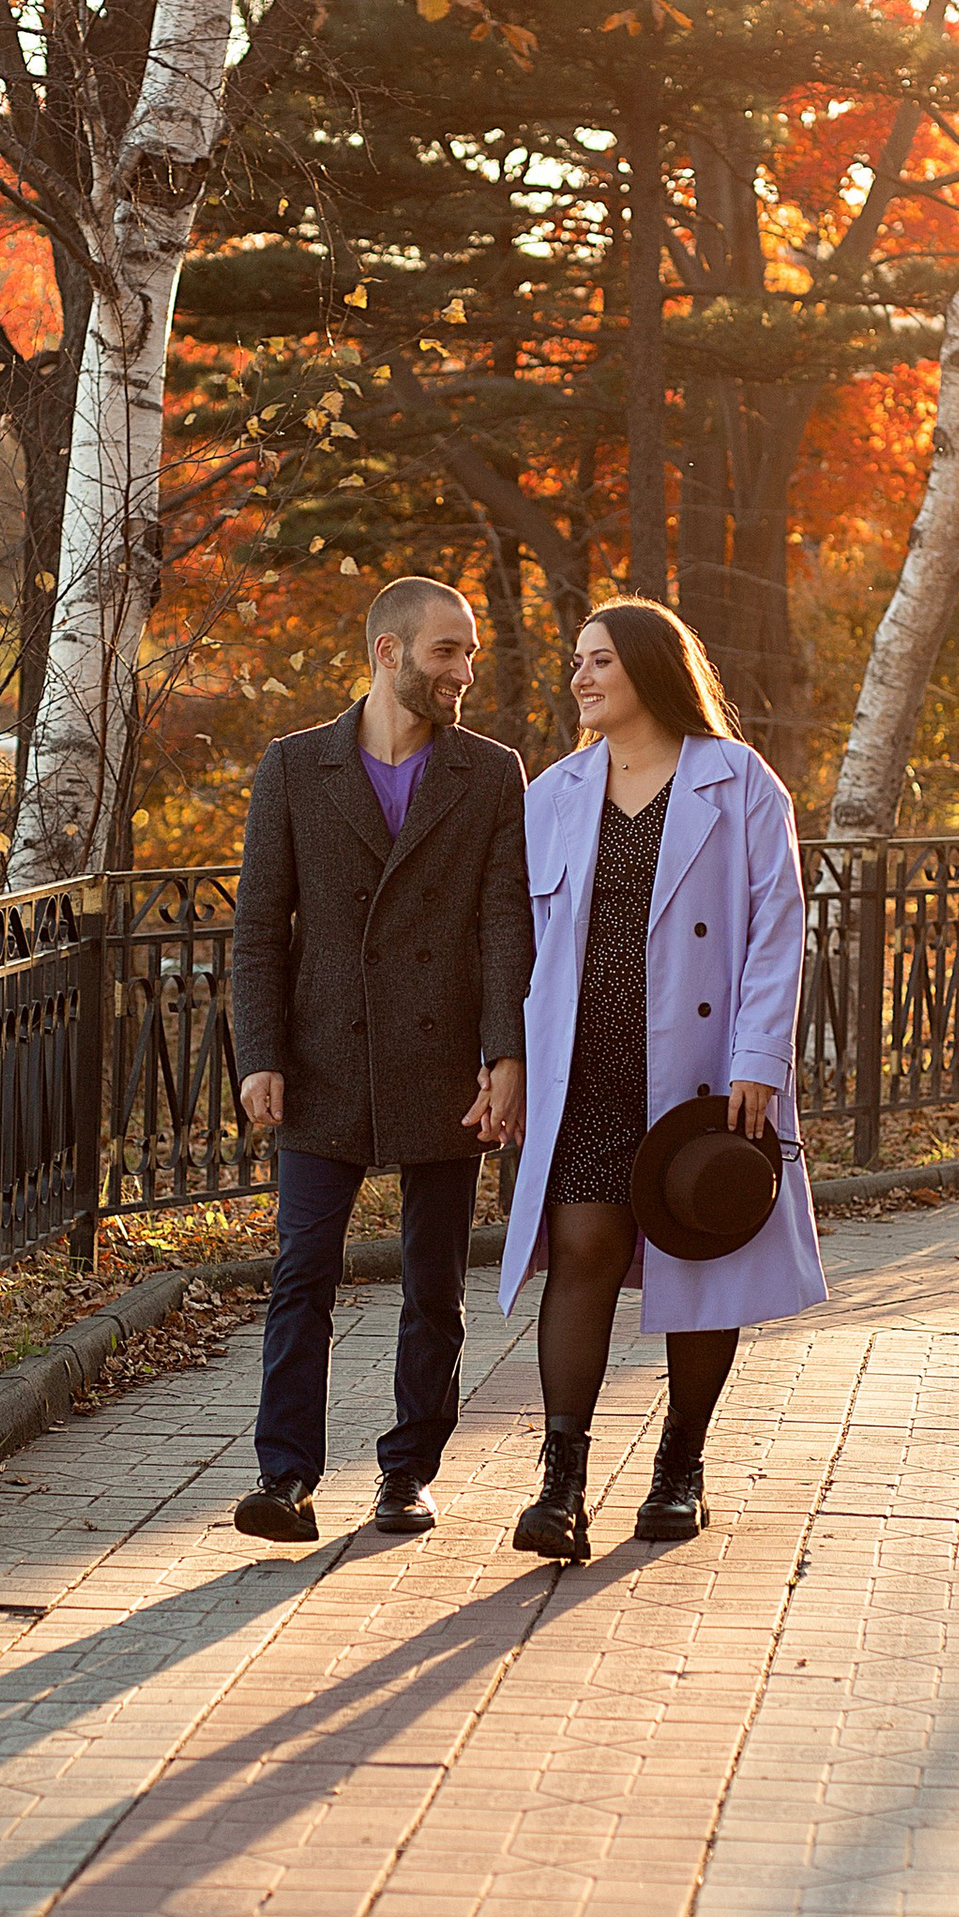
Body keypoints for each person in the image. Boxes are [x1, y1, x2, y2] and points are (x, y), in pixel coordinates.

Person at [498, 599, 826, 1564]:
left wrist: (759, 1060)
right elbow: (521, 942)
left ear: (650, 666)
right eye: (576, 660)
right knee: (583, 1246)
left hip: (702, 1070)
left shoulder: (741, 781)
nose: (581, 676)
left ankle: (681, 1466)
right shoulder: (555, 792)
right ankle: (561, 1485)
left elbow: (779, 927)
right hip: (586, 1064)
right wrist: (508, 1061)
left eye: (599, 660)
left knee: (701, 1251)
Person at [230, 576, 532, 1546]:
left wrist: (507, 1053)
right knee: (301, 1273)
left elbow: (504, 924)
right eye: (448, 650)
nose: (465, 671)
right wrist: (260, 1052)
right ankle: (285, 1477)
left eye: (470, 652)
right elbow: (258, 927)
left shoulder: (491, 772)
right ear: (388, 652)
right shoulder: (293, 766)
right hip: (324, 1056)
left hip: (444, 1061)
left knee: (432, 1283)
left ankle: (406, 1474)